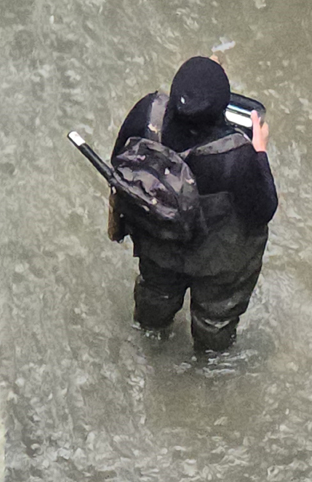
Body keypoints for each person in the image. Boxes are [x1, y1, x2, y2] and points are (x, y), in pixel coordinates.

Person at [109, 56, 278, 352]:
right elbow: (263, 210)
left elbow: (118, 163)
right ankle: (208, 363)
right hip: (217, 262)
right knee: (216, 319)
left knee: (156, 297)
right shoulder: (236, 157)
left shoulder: (147, 112)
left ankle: (150, 340)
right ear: (221, 114)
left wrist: (200, 79)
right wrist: (260, 151)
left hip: (158, 241)